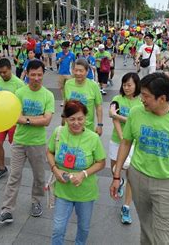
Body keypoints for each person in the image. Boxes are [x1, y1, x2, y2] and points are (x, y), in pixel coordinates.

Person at [110, 73, 169, 244]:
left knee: (163, 235)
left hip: (166, 184)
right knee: (146, 227)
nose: (141, 99)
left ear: (162, 98)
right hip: (138, 178)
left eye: (146, 96)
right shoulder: (136, 113)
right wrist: (116, 175)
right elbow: (126, 143)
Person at [0, 59, 55, 224]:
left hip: (38, 142)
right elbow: (15, 117)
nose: (36, 78)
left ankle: (36, 201)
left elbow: (47, 120)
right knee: (14, 175)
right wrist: (36, 118)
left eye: (39, 75)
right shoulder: (20, 93)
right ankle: (7, 210)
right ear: (26, 74)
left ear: (43, 75)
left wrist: (25, 119)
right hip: (19, 142)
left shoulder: (48, 95)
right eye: (32, 74)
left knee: (39, 176)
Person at [47, 100, 106, 245]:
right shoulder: (58, 132)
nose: (76, 123)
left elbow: (101, 162)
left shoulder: (93, 138)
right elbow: (49, 152)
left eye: (80, 119)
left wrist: (83, 174)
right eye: (71, 119)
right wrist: (55, 169)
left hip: (85, 192)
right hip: (63, 190)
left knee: (84, 228)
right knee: (58, 228)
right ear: (65, 118)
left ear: (86, 117)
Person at [108, 72, 141, 224]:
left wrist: (120, 117)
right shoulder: (117, 99)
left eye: (129, 85)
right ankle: (118, 181)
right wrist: (122, 138)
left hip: (135, 143)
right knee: (115, 169)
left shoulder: (141, 102)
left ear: (136, 86)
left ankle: (126, 207)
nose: (126, 87)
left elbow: (118, 117)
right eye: (124, 84)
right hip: (117, 140)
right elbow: (111, 114)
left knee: (132, 176)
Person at [0, 58, 25, 181]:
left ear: (10, 69)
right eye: (0, 72)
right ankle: (1, 168)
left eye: (5, 72)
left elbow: (22, 104)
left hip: (14, 120)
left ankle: (16, 169)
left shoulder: (19, 83)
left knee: (15, 146)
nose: (2, 75)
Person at [64, 58, 103, 135]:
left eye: (81, 71)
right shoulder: (68, 84)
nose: (78, 73)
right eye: (76, 70)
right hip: (69, 126)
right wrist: (63, 118)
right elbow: (66, 103)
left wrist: (100, 125)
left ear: (87, 71)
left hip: (87, 127)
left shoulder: (93, 86)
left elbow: (98, 106)